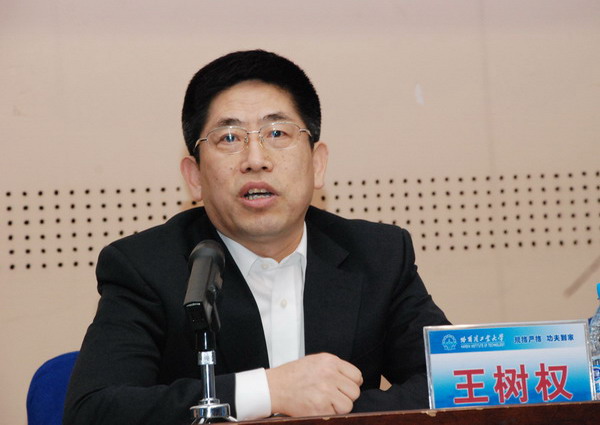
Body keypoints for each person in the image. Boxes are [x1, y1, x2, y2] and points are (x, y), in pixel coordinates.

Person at [64, 50, 450, 425]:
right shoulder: (144, 267)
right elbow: (95, 411)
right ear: (194, 177)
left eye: (277, 133)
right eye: (229, 137)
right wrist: (268, 391)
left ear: (317, 164)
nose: (255, 159)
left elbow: (454, 383)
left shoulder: (379, 255)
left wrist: (323, 414)